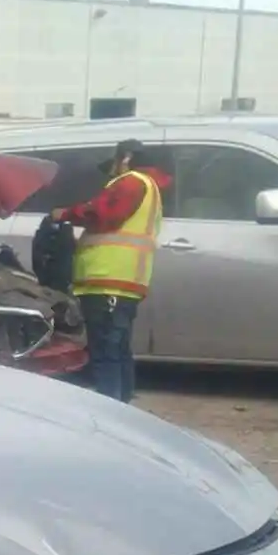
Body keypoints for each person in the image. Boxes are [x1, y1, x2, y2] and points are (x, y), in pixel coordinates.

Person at [53, 140, 171, 404]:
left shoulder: (131, 182)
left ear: (126, 157)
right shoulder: (150, 187)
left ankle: (110, 415)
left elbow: (102, 213)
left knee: (105, 352)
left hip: (109, 280)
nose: (112, 172)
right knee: (117, 350)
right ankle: (123, 407)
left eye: (114, 163)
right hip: (123, 282)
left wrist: (65, 214)